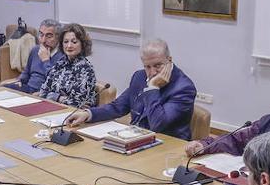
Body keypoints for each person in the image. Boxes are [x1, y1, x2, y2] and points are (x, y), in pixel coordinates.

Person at [65, 38, 197, 140]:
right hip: (135, 139)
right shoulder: (139, 76)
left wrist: (153, 88)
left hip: (167, 147)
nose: (152, 72)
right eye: (147, 66)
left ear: (169, 60)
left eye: (158, 65)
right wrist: (88, 114)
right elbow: (118, 107)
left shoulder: (184, 88)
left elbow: (158, 125)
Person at [39, 23, 98, 108]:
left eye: (74, 42)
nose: (69, 46)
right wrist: (60, 98)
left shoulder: (85, 68)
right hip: (53, 108)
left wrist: (55, 96)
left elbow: (79, 104)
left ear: (82, 44)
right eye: (66, 42)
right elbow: (43, 92)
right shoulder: (61, 63)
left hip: (74, 115)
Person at [8, 18, 64, 93]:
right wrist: (20, 81)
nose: (43, 40)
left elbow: (55, 81)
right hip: (28, 88)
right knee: (1, 90)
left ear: (58, 38)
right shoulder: (35, 50)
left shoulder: (63, 56)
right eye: (41, 35)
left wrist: (45, 61)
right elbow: (26, 71)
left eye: (49, 36)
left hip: (43, 92)